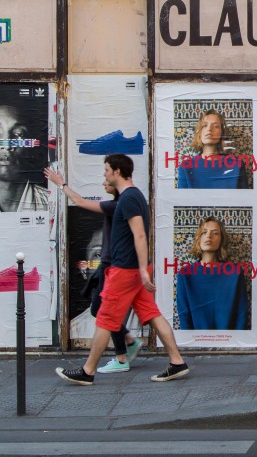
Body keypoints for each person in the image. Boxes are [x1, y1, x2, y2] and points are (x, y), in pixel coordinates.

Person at [56, 154, 189, 385]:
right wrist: (143, 270)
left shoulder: (128, 199)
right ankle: (177, 362)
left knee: (106, 318)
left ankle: (87, 371)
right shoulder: (132, 197)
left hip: (126, 271)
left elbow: (139, 234)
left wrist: (142, 269)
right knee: (153, 314)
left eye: (107, 170)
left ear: (117, 171)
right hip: (133, 271)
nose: (105, 174)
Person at [44, 167, 141, 372]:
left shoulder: (116, 205)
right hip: (109, 265)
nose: (103, 182)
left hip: (114, 266)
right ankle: (128, 343)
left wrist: (61, 184)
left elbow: (80, 201)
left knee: (105, 311)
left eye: (106, 179)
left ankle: (122, 356)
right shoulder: (117, 205)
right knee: (100, 309)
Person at [175, 217, 248, 330]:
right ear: (198, 238)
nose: (209, 236)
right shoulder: (185, 274)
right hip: (195, 343)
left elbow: (241, 315)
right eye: (204, 232)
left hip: (229, 343)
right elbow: (184, 318)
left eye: (215, 233)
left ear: (221, 240)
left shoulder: (235, 273)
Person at [176, 109, 244, 189]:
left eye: (215, 126)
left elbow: (244, 200)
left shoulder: (237, 165)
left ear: (222, 133)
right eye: (205, 125)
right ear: (199, 132)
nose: (209, 129)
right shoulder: (186, 167)